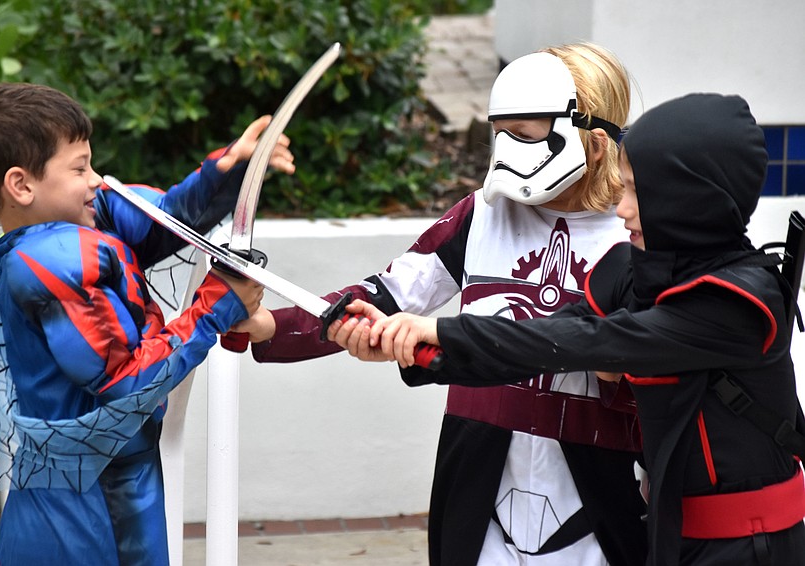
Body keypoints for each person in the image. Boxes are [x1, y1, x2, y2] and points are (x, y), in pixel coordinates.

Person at [338, 93, 805, 565]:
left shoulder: (738, 304)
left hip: (752, 546)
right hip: (676, 537)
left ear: (689, 197)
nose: (621, 210)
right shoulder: (645, 268)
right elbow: (550, 333)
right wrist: (419, 348)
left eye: (637, 192)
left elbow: (586, 342)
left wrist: (443, 330)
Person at [235, 43, 647, 565]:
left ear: (591, 140)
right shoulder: (481, 216)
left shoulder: (634, 229)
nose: (507, 151)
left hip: (602, 493)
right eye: (502, 133)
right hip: (479, 487)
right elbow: (385, 294)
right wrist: (271, 324)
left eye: (526, 134)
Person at [0, 82, 294, 565]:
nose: (97, 180)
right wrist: (217, 305)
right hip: (73, 503)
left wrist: (232, 169)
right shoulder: (48, 261)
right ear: (21, 185)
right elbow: (126, 379)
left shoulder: (83, 220)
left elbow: (169, 220)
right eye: (79, 168)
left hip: (117, 478)